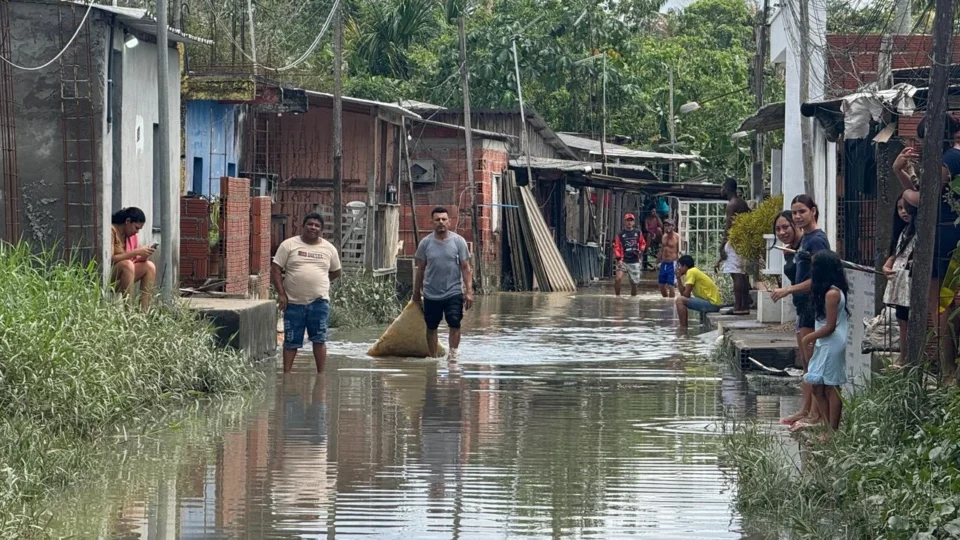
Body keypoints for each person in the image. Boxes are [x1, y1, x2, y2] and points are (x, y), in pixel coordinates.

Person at [893, 113, 960, 382]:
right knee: (942, 304)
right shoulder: (942, 160)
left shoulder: (950, 160)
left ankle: (947, 370)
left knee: (940, 305)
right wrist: (900, 171)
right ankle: (948, 367)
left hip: (942, 238)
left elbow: (924, 197)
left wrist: (908, 195)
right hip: (939, 235)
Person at [771, 195, 831, 429]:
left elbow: (819, 277)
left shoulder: (817, 240)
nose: (797, 217)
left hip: (813, 305)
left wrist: (789, 289)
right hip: (803, 307)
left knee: (815, 364)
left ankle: (817, 417)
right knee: (808, 364)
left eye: (801, 212)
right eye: (794, 213)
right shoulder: (805, 239)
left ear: (813, 211)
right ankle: (806, 410)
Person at [272, 213, 342, 373]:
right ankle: (287, 376)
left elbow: (336, 272)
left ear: (321, 230)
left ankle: (321, 377)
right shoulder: (288, 245)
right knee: (290, 342)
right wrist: (281, 294)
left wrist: (320, 281)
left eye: (317, 226)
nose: (313, 228)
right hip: (293, 303)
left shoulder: (329, 249)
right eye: (310, 224)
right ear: (303, 226)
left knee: (319, 340)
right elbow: (276, 269)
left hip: (319, 303)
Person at [413, 207, 475, 362]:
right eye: (437, 219)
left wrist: (469, 291)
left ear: (449, 222)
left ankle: (453, 355)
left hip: (453, 291)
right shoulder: (425, 243)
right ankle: (433, 358)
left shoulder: (459, 242)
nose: (441, 222)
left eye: (443, 219)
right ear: (431, 222)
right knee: (431, 325)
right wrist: (416, 294)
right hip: (431, 292)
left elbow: (466, 268)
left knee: (454, 320)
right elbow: (420, 269)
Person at [803, 250, 850, 433]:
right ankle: (826, 424)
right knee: (816, 386)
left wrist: (809, 337)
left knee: (832, 387)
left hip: (832, 343)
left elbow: (830, 326)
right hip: (824, 341)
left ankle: (833, 430)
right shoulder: (825, 291)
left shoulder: (832, 293)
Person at [882, 193, 918, 368]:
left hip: (911, 280)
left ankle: (908, 357)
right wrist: (888, 264)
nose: (904, 212)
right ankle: (903, 356)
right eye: (900, 208)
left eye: (906, 208)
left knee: (909, 319)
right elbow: (895, 254)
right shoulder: (902, 232)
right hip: (901, 280)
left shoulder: (919, 231)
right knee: (901, 319)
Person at [716, 177, 752, 315]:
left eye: (722, 187)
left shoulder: (732, 204)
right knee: (741, 274)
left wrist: (722, 246)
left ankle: (738, 307)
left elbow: (728, 227)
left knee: (736, 274)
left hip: (734, 240)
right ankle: (744, 305)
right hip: (742, 240)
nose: (721, 190)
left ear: (727, 188)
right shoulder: (742, 203)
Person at [110, 207, 157, 311]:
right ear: (127, 221)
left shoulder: (130, 236)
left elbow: (133, 261)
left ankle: (143, 313)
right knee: (127, 265)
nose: (137, 232)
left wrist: (143, 256)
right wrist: (135, 252)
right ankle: (129, 312)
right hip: (109, 276)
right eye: (136, 228)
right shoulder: (112, 231)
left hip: (126, 274)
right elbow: (110, 259)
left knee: (150, 266)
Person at [675, 254, 723, 328]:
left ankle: (683, 328)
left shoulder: (691, 272)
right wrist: (678, 279)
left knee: (679, 300)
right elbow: (683, 293)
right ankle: (695, 326)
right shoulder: (692, 271)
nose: (679, 268)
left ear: (685, 266)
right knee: (681, 299)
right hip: (712, 303)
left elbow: (686, 295)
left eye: (680, 266)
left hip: (712, 304)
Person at [614, 213, 646, 297]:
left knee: (634, 283)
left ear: (634, 222)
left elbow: (643, 243)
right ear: (624, 222)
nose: (629, 222)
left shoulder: (638, 232)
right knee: (618, 279)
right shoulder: (620, 234)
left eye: (631, 220)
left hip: (634, 260)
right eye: (628, 220)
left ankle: (633, 300)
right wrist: (618, 259)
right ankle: (617, 298)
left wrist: (640, 251)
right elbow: (616, 247)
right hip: (623, 260)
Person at [773, 210, 802, 288]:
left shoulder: (810, 244)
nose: (781, 232)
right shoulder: (787, 251)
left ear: (796, 225)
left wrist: (788, 290)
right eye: (778, 229)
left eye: (785, 227)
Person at [657, 218, 680, 298]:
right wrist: (657, 261)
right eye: (665, 226)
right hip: (664, 263)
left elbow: (681, 251)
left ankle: (671, 303)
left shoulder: (677, 237)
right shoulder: (664, 237)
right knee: (661, 284)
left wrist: (679, 265)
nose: (667, 227)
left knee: (671, 285)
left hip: (672, 263)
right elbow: (662, 250)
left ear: (673, 226)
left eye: (669, 225)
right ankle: (666, 301)